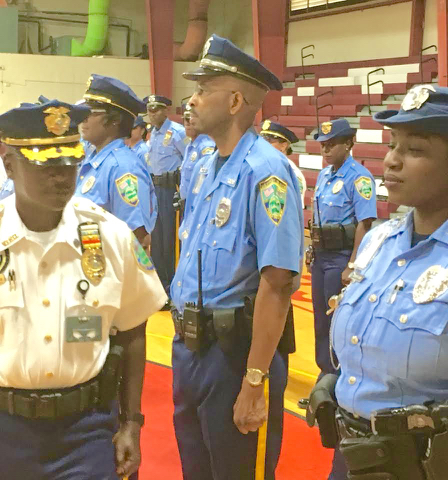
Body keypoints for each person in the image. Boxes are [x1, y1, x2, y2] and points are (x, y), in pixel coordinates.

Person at [0, 100, 167, 480]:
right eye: (45, 166)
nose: (62, 177)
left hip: (87, 429)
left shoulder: (111, 236)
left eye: (70, 163)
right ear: (9, 165)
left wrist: (132, 422)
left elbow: (134, 330)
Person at [170, 34, 303, 479]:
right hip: (191, 348)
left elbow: (278, 281)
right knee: (198, 470)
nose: (192, 100)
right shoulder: (208, 165)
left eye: (204, 89)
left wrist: (254, 380)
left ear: (234, 102)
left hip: (234, 357)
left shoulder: (266, 172)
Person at [306, 85, 448, 480]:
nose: (392, 161)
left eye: (415, 150)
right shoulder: (377, 243)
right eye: (393, 145)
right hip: (351, 455)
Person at [308, 118, 377, 379]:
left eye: (332, 144)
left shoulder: (359, 177)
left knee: (337, 320)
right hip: (321, 255)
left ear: (349, 144)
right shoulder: (325, 175)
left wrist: (352, 264)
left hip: (341, 257)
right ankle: (325, 375)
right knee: (320, 319)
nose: (326, 150)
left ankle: (339, 376)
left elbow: (365, 223)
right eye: (323, 145)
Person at [77, 74, 157, 247]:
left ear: (115, 120)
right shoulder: (94, 160)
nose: (84, 118)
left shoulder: (123, 168)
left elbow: (137, 237)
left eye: (91, 112)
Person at [144, 94, 186, 297]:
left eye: (156, 109)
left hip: (171, 190)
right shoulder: (151, 133)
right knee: (157, 240)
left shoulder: (177, 132)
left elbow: (190, 158)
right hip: (154, 189)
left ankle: (172, 287)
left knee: (170, 240)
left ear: (166, 110)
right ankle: (159, 284)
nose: (152, 114)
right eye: (150, 110)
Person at [260, 120, 307, 209]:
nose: (264, 144)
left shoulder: (293, 174)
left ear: (283, 145)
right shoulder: (262, 168)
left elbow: (292, 209)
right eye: (262, 140)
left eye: (269, 140)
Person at [178, 103, 215, 204]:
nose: (188, 124)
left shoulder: (206, 147)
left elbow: (206, 181)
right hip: (186, 202)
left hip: (197, 203)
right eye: (186, 120)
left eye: (192, 121)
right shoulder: (190, 146)